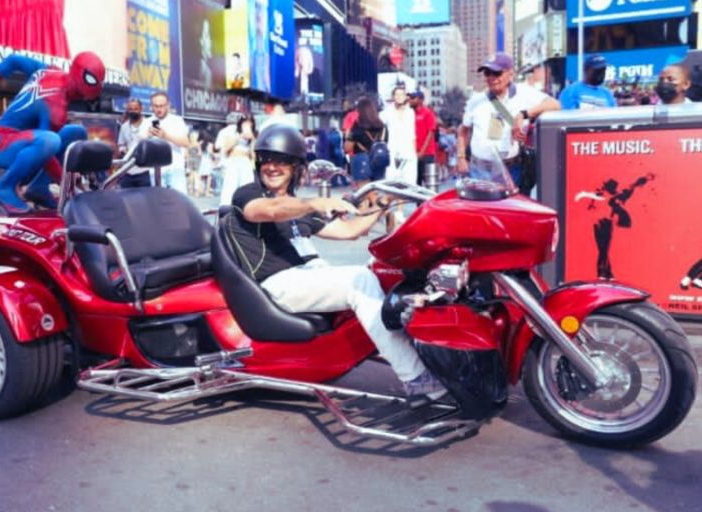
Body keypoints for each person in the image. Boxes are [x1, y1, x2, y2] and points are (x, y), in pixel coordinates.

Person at [227, 124, 446, 404]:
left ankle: (435, 355)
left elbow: (348, 230)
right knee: (360, 281)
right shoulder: (248, 195)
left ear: (295, 167)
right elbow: (267, 211)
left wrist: (383, 201)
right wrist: (315, 202)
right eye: (267, 159)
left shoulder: (296, 205)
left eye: (282, 161)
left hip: (309, 276)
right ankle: (417, 379)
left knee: (384, 270)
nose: (272, 167)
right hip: (277, 285)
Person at [0, 51, 105, 213]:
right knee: (51, 140)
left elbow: (13, 60)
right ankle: (5, 187)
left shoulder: (50, 70)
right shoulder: (56, 109)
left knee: (77, 132)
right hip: (3, 146)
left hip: (18, 140)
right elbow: (47, 153)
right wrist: (66, 185)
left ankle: (39, 188)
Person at [456, 53, 560, 189]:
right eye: (487, 73)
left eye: (497, 73)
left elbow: (555, 105)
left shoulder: (525, 93)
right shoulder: (475, 100)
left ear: (510, 74)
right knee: (483, 210)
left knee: (510, 209)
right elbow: (463, 130)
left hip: (511, 170)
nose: (491, 78)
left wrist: (523, 114)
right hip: (479, 170)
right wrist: (461, 157)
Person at [380, 85, 417, 230]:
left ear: (406, 96)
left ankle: (400, 213)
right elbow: (379, 128)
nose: (400, 97)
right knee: (392, 183)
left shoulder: (410, 112)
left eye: (402, 94)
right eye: (397, 94)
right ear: (393, 96)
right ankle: (388, 211)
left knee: (404, 184)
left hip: (408, 151)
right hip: (392, 150)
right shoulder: (386, 113)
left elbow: (413, 133)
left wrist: (414, 151)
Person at [140, 92, 191, 194]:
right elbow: (139, 145)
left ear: (168, 105)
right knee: (158, 205)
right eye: (156, 106)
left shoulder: (177, 120)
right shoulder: (146, 122)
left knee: (179, 203)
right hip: (155, 171)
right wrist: (147, 135)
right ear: (151, 106)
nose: (159, 109)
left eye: (162, 106)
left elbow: (186, 143)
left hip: (175, 169)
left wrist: (166, 136)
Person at [345, 96, 388, 188]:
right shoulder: (382, 126)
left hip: (362, 159)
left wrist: (348, 135)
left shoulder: (358, 126)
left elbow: (348, 148)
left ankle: (373, 202)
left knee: (364, 191)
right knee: (376, 188)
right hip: (379, 160)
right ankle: (376, 201)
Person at [219, 115, 256, 207]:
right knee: (230, 187)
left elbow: (253, 154)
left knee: (247, 186)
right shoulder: (233, 133)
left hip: (246, 162)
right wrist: (240, 137)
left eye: (249, 123)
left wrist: (252, 139)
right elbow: (225, 149)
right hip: (234, 161)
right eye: (245, 122)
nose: (247, 125)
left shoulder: (253, 136)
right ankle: (226, 208)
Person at [117, 99, 151, 189]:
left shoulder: (149, 124)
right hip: (127, 171)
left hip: (145, 171)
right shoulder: (124, 127)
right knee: (127, 200)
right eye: (130, 109)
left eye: (135, 109)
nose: (133, 111)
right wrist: (122, 150)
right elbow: (121, 144)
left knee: (146, 200)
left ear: (141, 109)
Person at [408, 90, 437, 187]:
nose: (410, 100)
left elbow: (431, 133)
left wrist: (422, 152)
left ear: (420, 100)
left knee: (429, 183)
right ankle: (419, 203)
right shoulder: (410, 113)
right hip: (414, 154)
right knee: (417, 183)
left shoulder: (427, 113)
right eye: (410, 98)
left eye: (413, 98)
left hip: (427, 154)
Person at [187, 130, 203, 197]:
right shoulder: (197, 144)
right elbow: (200, 153)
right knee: (196, 175)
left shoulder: (189, 144)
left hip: (190, 159)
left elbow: (186, 154)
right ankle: (196, 191)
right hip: (196, 160)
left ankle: (191, 189)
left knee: (191, 175)